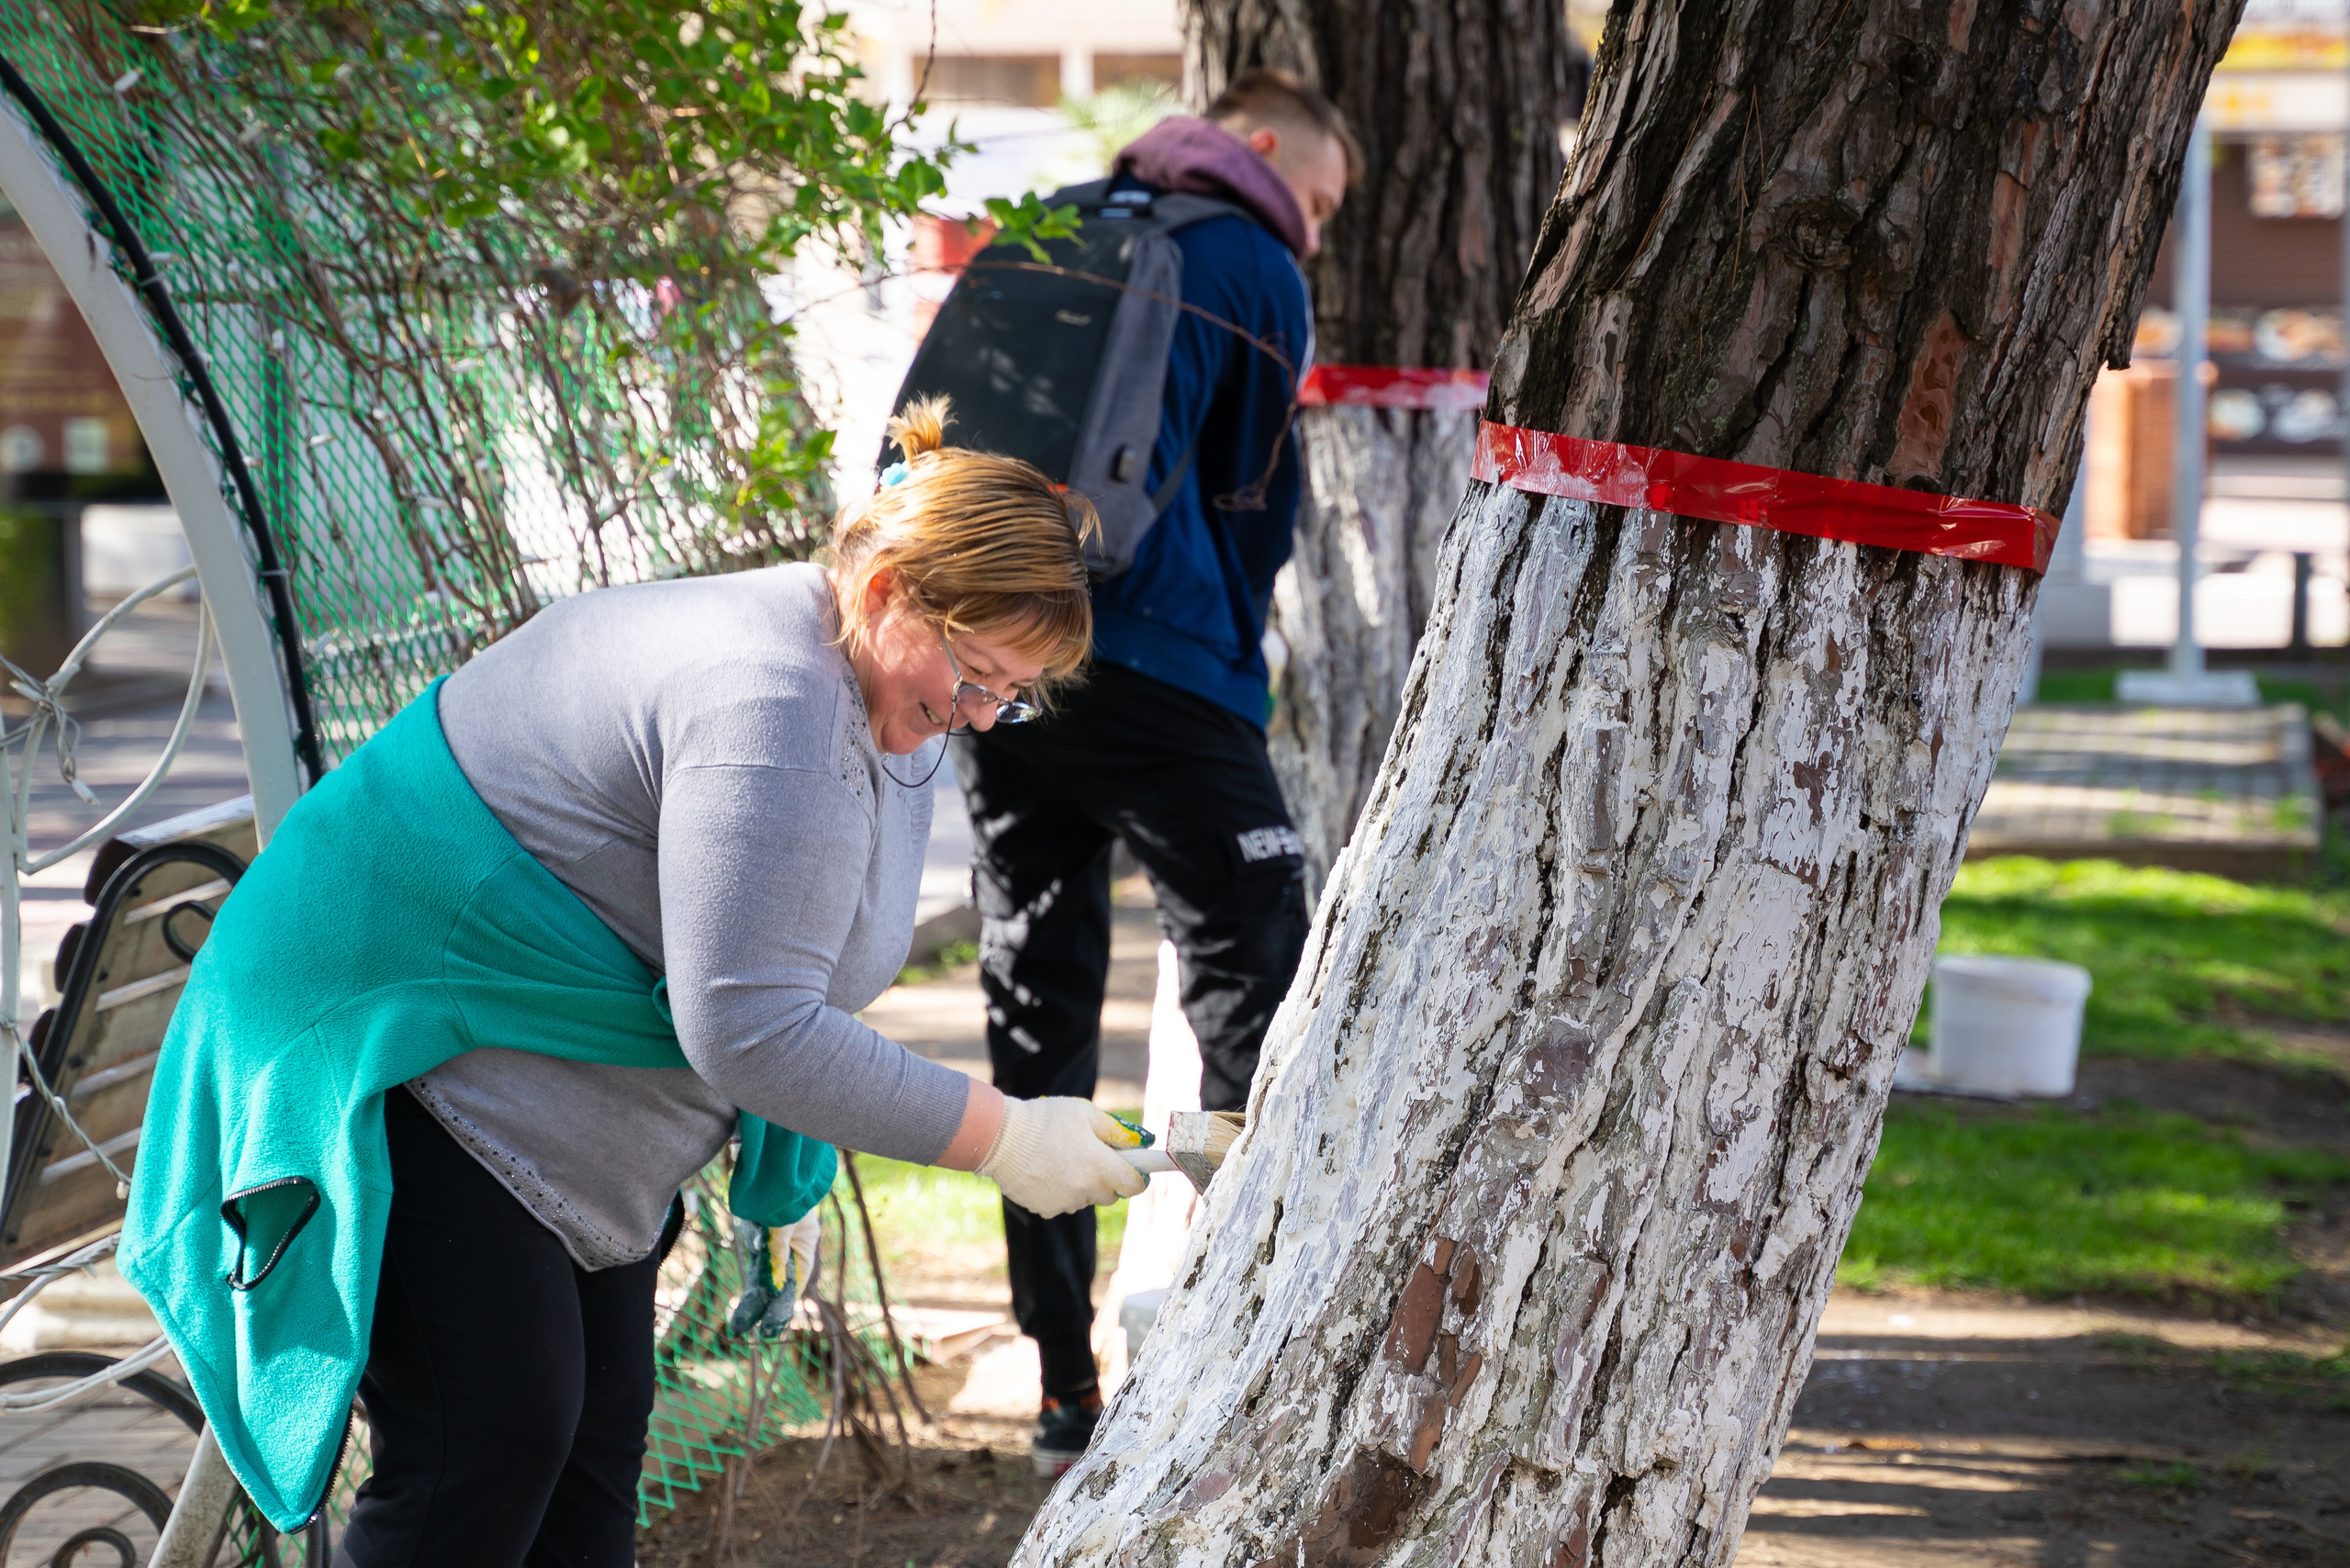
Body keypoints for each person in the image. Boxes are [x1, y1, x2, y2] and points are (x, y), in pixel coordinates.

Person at [120, 399, 1147, 1568]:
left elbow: (795, 957)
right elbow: (751, 1024)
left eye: (1008, 694)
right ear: (885, 592)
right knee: (489, 1443)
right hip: (393, 1042)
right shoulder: (770, 696)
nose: (972, 718)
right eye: (973, 675)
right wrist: (1004, 1136)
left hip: (534, 1066)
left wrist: (796, 1153)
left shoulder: (890, 694)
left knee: (592, 1456)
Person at [947, 68, 1359, 1473]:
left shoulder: (1049, 222)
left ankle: (1062, 1384)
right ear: (1257, 153)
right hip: (1168, 672)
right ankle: (1260, 1350)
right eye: (1317, 197)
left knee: (1035, 999)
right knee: (1256, 989)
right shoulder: (1251, 259)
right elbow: (1251, 501)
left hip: (1001, 661)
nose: (1314, 228)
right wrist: (1229, 674)